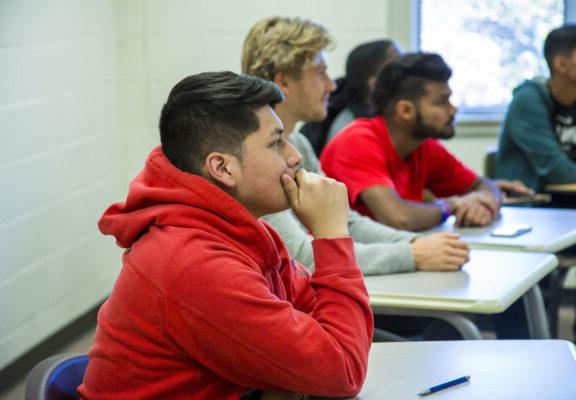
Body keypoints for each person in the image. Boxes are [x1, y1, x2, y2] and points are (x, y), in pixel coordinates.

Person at [78, 72, 373, 399]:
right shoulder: (194, 265)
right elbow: (343, 370)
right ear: (222, 168)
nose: (294, 156)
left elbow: (324, 323)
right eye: (276, 142)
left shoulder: (243, 232)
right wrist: (332, 235)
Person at [241, 17, 470, 279]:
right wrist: (413, 254)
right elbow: (300, 257)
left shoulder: (299, 144)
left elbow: (345, 222)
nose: (332, 85)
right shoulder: (256, 155)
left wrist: (415, 244)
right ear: (283, 83)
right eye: (320, 73)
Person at [497, 25, 576, 355]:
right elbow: (556, 168)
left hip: (570, 207)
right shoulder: (529, 99)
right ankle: (533, 349)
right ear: (561, 63)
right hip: (530, 207)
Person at [321, 52, 502, 232]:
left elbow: (484, 184)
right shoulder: (357, 141)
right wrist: (452, 205)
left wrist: (483, 204)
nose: (453, 110)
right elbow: (399, 219)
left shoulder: (423, 146)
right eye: (441, 102)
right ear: (405, 110)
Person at [301, 39, 403, 156]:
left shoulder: (390, 120)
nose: (406, 70)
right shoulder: (348, 128)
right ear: (374, 81)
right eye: (398, 65)